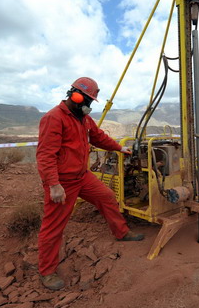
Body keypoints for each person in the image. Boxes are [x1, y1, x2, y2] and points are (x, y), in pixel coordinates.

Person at [36, 76, 144, 291]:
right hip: (63, 182)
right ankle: (47, 272)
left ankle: (121, 232)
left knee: (106, 197)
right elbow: (46, 155)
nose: (89, 106)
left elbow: (98, 137)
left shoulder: (82, 119)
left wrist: (119, 148)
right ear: (76, 96)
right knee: (53, 227)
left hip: (82, 176)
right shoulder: (54, 118)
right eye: (88, 101)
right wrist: (54, 185)